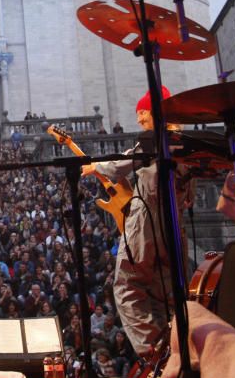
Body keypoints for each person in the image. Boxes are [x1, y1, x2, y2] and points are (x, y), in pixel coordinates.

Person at [81, 87, 189, 358]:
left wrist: (95, 167)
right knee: (166, 290)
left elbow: (122, 164)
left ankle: (153, 350)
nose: (139, 119)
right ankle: (178, 349)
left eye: (142, 112)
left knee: (127, 285)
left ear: (155, 112)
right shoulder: (185, 144)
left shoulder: (153, 141)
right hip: (176, 225)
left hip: (147, 219)